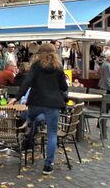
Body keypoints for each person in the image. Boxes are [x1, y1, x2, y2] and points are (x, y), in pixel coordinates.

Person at [13, 43, 68, 175]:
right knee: (52, 134)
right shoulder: (58, 67)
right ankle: (48, 165)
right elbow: (64, 87)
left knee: (29, 117)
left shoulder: (36, 66)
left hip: (35, 103)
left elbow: (27, 82)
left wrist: (17, 97)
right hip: (52, 105)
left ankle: (29, 132)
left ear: (40, 52)